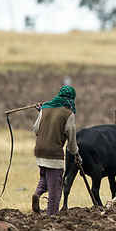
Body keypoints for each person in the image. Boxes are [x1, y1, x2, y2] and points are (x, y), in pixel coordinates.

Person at [31, 85, 82, 215]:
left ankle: (37, 194)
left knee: (45, 178)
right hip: (54, 155)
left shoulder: (45, 108)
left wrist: (42, 115)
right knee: (56, 188)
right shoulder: (68, 114)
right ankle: (51, 217)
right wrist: (76, 154)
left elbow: (36, 129)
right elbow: (71, 142)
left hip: (39, 151)